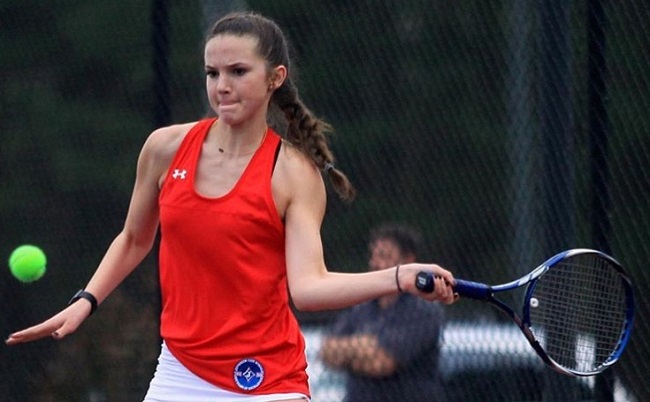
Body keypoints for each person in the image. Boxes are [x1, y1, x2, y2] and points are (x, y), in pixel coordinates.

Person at [5, 11, 457, 402]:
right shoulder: (164, 148)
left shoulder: (294, 172)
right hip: (180, 370)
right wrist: (86, 301)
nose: (221, 86)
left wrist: (398, 277)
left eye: (238, 71)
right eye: (212, 73)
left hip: (267, 380)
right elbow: (134, 239)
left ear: (275, 77)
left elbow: (308, 287)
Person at [320, 223, 447, 402]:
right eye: (373, 256)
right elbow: (327, 351)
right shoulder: (361, 304)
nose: (375, 263)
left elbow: (382, 363)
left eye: (384, 256)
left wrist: (349, 353)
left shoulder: (423, 309)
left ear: (408, 261)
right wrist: (370, 346)